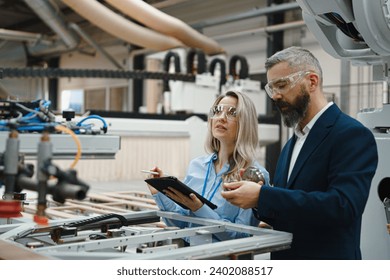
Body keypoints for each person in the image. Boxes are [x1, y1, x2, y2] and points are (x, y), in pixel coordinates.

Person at [221, 46, 378, 259]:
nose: (275, 96)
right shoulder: (293, 143)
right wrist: (258, 201)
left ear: (312, 81)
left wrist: (264, 196)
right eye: (271, 88)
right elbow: (290, 214)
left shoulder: (351, 134)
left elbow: (343, 207)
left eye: (282, 85)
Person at [147, 90, 270, 243]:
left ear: (245, 122)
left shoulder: (253, 176)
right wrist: (160, 193)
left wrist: (200, 208)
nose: (221, 118)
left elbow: (241, 236)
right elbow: (181, 224)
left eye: (232, 113)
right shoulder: (197, 166)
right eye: (217, 111)